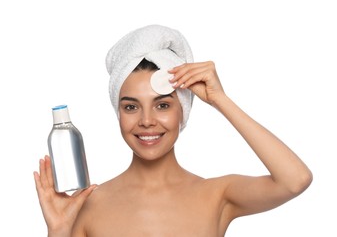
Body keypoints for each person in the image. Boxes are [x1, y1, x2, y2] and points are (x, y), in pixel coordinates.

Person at [34, 25, 313, 237]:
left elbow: (295, 180)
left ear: (183, 110)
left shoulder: (217, 195)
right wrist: (58, 232)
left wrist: (220, 100)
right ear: (118, 113)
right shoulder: (87, 205)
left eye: (162, 105)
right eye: (131, 107)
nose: (146, 121)